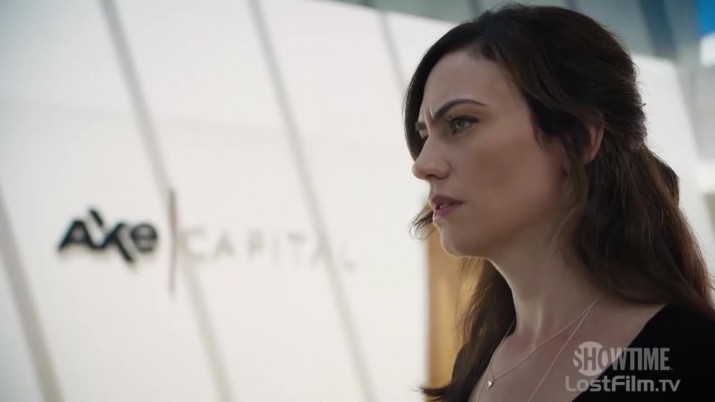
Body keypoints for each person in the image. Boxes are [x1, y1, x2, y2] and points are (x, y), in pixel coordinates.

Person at [404, 3, 715, 402]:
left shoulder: (693, 360)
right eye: (424, 135)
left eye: (461, 123)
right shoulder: (474, 362)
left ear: (578, 139)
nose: (423, 164)